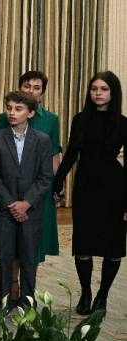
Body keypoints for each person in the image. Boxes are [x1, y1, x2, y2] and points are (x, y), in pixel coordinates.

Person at [53, 71, 127, 318]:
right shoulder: (81, 119)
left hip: (115, 190)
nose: (98, 93)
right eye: (94, 88)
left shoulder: (123, 123)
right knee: (83, 245)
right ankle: (85, 293)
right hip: (86, 188)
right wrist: (58, 180)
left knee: (113, 248)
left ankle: (102, 296)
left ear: (113, 93)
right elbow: (72, 153)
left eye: (104, 89)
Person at [0, 71, 61, 306]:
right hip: (5, 208)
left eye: (18, 109)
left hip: (32, 209)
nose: (12, 112)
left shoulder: (42, 140)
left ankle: (27, 301)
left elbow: (45, 176)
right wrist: (12, 204)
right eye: (9, 108)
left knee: (30, 257)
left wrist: (26, 203)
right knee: (4, 257)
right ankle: (4, 303)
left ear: (30, 113)